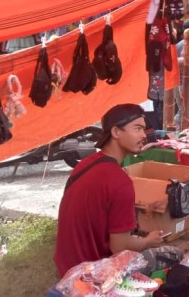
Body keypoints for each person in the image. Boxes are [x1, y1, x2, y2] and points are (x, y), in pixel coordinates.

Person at [54, 104, 168, 277]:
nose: (144, 135)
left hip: (65, 264)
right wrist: (148, 240)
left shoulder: (85, 164)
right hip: (90, 274)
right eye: (137, 129)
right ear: (115, 132)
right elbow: (119, 247)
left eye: (143, 129)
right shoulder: (120, 182)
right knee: (170, 258)